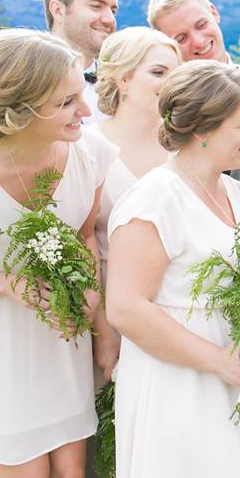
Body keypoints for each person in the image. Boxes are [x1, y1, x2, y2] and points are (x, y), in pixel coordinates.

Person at [105, 61, 240, 478]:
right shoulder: (153, 199)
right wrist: (220, 362)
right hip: (180, 380)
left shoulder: (234, 190)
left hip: (236, 372)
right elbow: (126, 308)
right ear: (203, 128)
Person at [0, 29, 116, 478]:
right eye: (66, 102)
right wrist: (6, 284)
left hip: (62, 341)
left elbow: (85, 238)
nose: (86, 110)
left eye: (83, 91)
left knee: (72, 476)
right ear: (16, 113)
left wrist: (94, 312)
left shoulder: (90, 153)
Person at [86, 27, 182, 384]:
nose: (170, 82)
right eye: (158, 72)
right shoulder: (87, 147)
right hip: (113, 302)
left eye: (175, 73)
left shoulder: (183, 145)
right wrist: (103, 329)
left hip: (180, 301)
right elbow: (84, 241)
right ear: (123, 78)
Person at [43, 0, 120, 124]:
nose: (110, 19)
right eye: (96, 6)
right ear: (58, 10)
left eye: (113, 10)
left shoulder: (122, 86)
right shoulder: (26, 82)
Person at [146, 0, 240, 74]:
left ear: (214, 13)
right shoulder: (167, 97)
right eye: (181, 38)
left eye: (201, 25)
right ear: (168, 46)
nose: (199, 42)